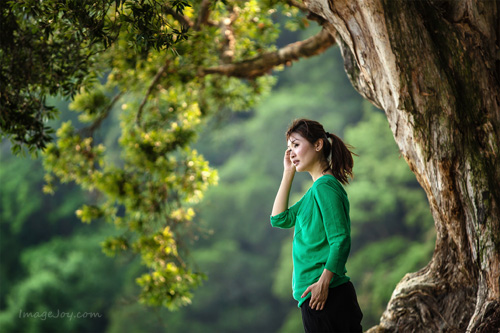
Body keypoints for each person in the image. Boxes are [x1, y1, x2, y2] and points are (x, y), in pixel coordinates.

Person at [270, 118, 363, 333]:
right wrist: (287, 173)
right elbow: (279, 219)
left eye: (296, 145)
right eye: (289, 148)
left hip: (327, 294)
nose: (291, 153)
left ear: (318, 145)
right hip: (316, 297)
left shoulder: (325, 187)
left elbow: (340, 239)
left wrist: (323, 283)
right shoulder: (314, 191)